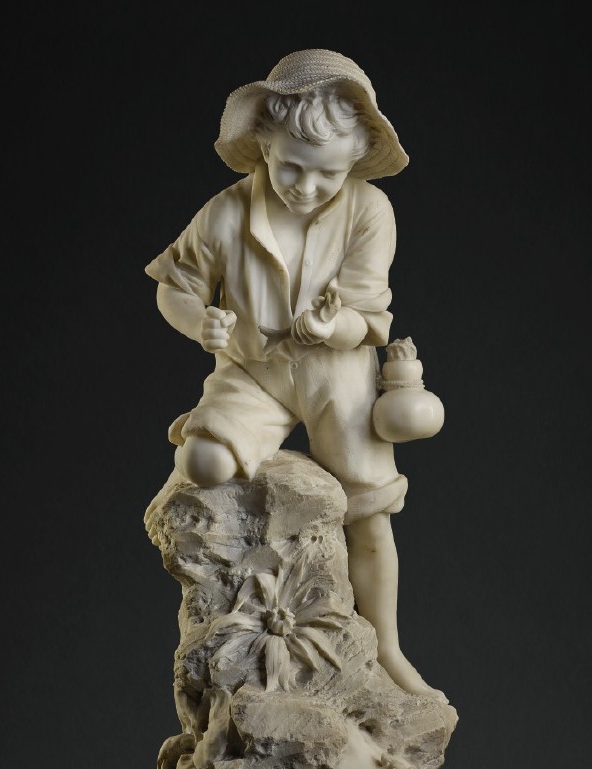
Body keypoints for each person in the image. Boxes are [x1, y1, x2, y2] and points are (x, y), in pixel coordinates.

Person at [146, 48, 443, 697]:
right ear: (264, 145)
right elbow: (175, 285)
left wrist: (333, 327)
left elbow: (369, 317)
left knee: (370, 510)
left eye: (327, 174)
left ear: (354, 163)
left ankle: (387, 648)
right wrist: (200, 322)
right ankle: (249, 624)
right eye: (290, 168)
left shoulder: (369, 211)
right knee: (204, 465)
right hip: (251, 372)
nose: (306, 187)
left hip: (339, 377)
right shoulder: (228, 212)